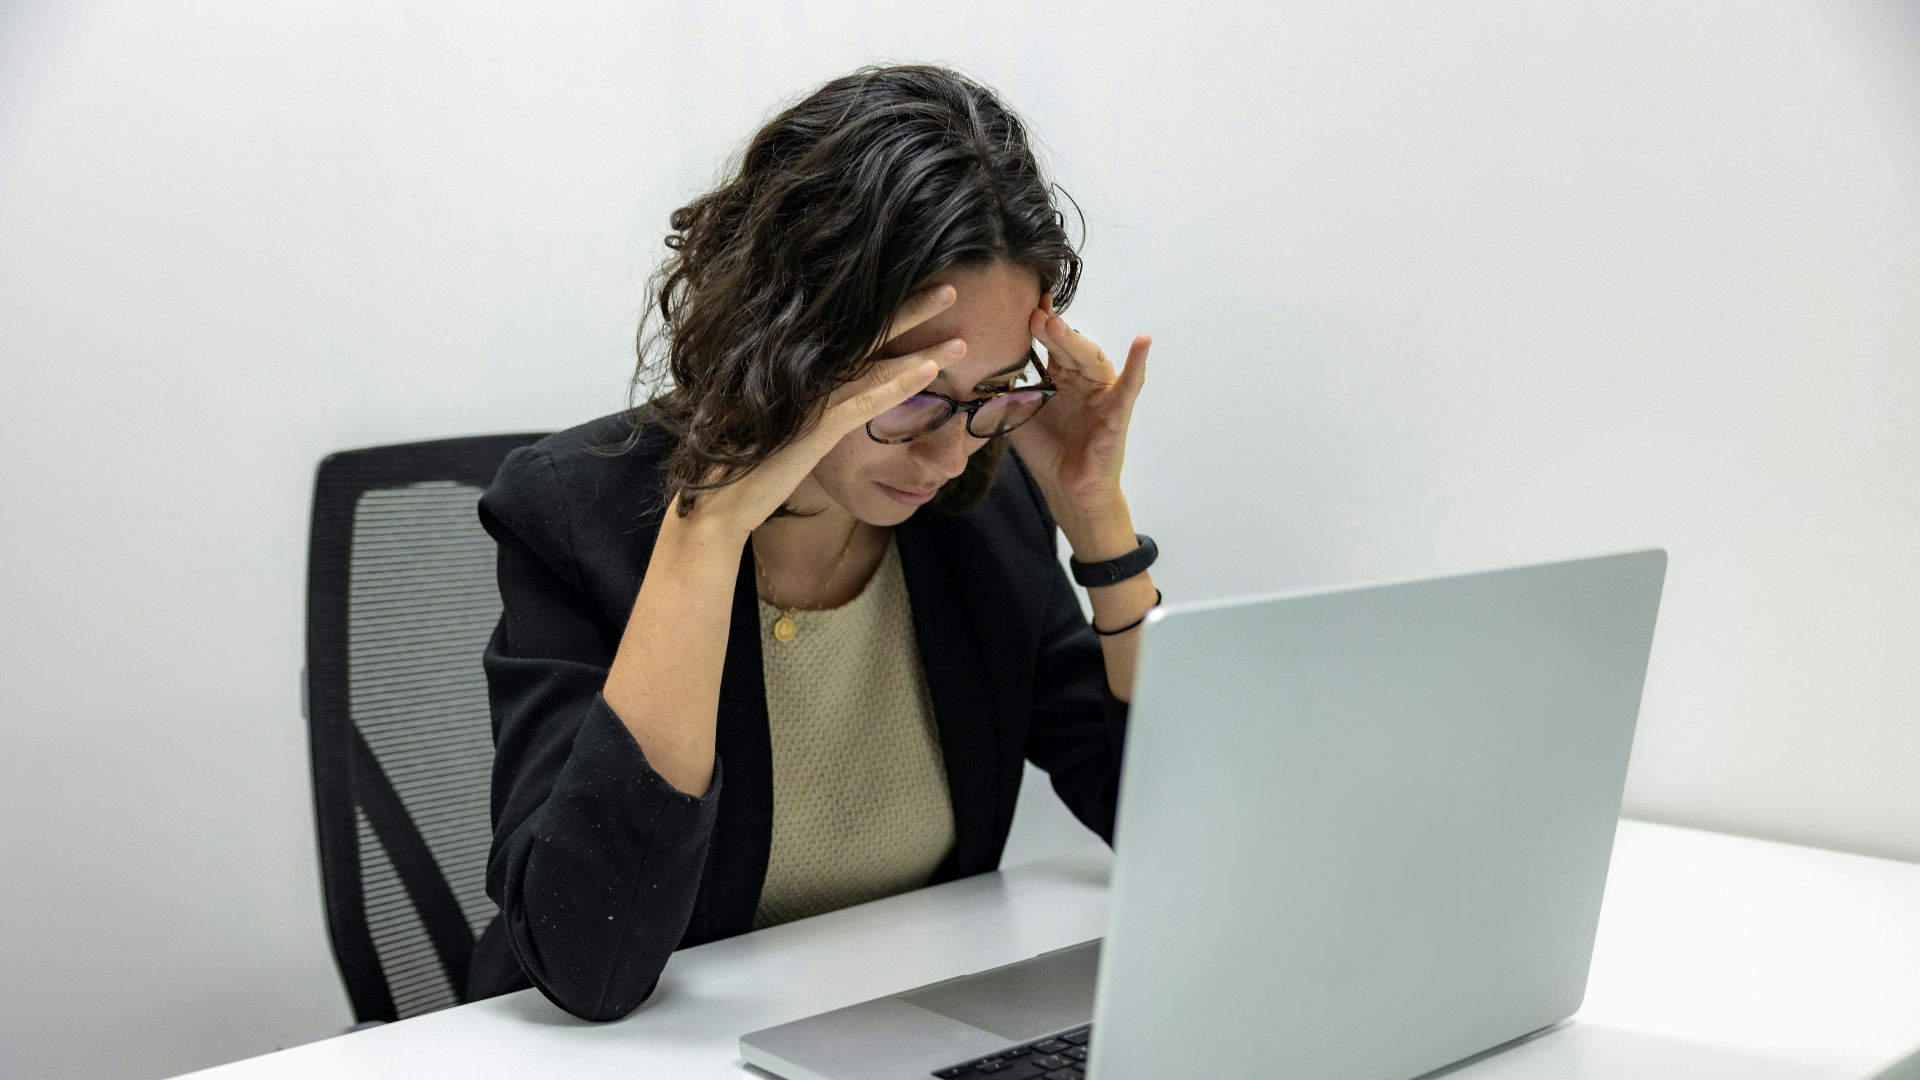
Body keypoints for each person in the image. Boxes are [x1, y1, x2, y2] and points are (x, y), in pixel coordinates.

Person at [465, 62, 1159, 1022]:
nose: (948, 453)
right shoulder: (576, 515)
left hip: (890, 1033)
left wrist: (1099, 527)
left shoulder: (979, 516)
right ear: (786, 336)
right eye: (910, 391)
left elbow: (1176, 831)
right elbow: (591, 964)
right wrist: (707, 533)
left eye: (994, 393)